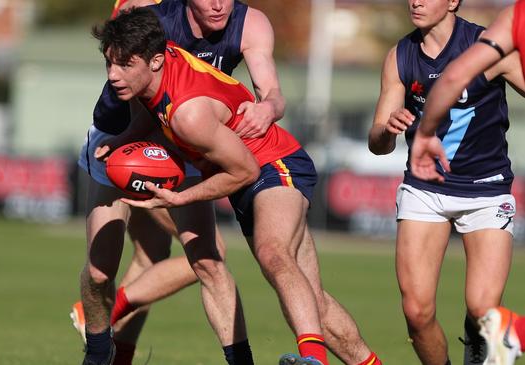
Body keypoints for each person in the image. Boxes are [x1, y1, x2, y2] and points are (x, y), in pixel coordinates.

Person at [76, 1, 381, 365]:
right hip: (238, 162)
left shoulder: (189, 111)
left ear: (154, 59)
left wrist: (181, 198)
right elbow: (153, 108)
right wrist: (125, 137)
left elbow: (246, 170)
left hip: (272, 162)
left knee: (271, 253)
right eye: (110, 63)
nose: (112, 75)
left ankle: (311, 361)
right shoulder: (160, 48)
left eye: (124, 64)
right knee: (311, 298)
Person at [74, 0, 286, 364]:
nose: (218, 5)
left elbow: (271, 94)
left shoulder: (247, 23)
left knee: (205, 261)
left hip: (179, 142)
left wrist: (268, 107)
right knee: (98, 272)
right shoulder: (148, 14)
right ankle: (99, 352)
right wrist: (124, 138)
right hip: (119, 140)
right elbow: (120, 50)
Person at [368, 0, 525, 364]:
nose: (416, 1)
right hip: (425, 190)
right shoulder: (400, 55)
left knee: (483, 310)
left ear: (453, 1)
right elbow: (377, 143)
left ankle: (483, 341)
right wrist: (388, 128)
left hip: (487, 189)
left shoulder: (488, 46)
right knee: (416, 313)